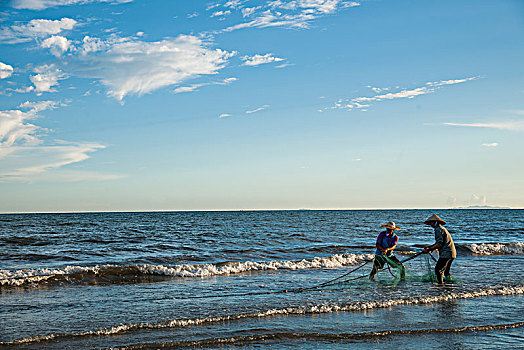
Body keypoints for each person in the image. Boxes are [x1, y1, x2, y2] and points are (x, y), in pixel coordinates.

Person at [423, 214, 456, 283]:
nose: (430, 224)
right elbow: (439, 243)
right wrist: (429, 247)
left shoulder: (438, 229)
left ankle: (440, 285)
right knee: (446, 271)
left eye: (431, 222)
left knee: (438, 270)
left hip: (446, 253)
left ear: (435, 222)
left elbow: (439, 244)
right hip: (452, 253)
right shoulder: (442, 229)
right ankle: (449, 285)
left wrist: (429, 249)